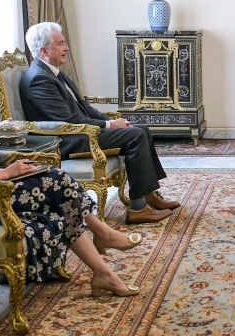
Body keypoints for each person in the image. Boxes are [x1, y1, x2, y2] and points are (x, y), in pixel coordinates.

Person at [0, 58, 141, 297]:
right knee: (56, 181)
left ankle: (103, 271)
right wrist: (6, 174)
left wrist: (9, 170)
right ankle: (103, 237)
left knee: (56, 192)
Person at [19, 22, 179, 225]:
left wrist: (111, 121)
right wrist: (110, 126)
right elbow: (69, 121)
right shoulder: (39, 79)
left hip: (78, 132)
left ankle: (149, 195)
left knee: (141, 129)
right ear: (43, 51)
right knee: (136, 136)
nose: (66, 48)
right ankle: (138, 209)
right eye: (60, 44)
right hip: (65, 140)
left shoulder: (52, 72)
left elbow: (84, 108)